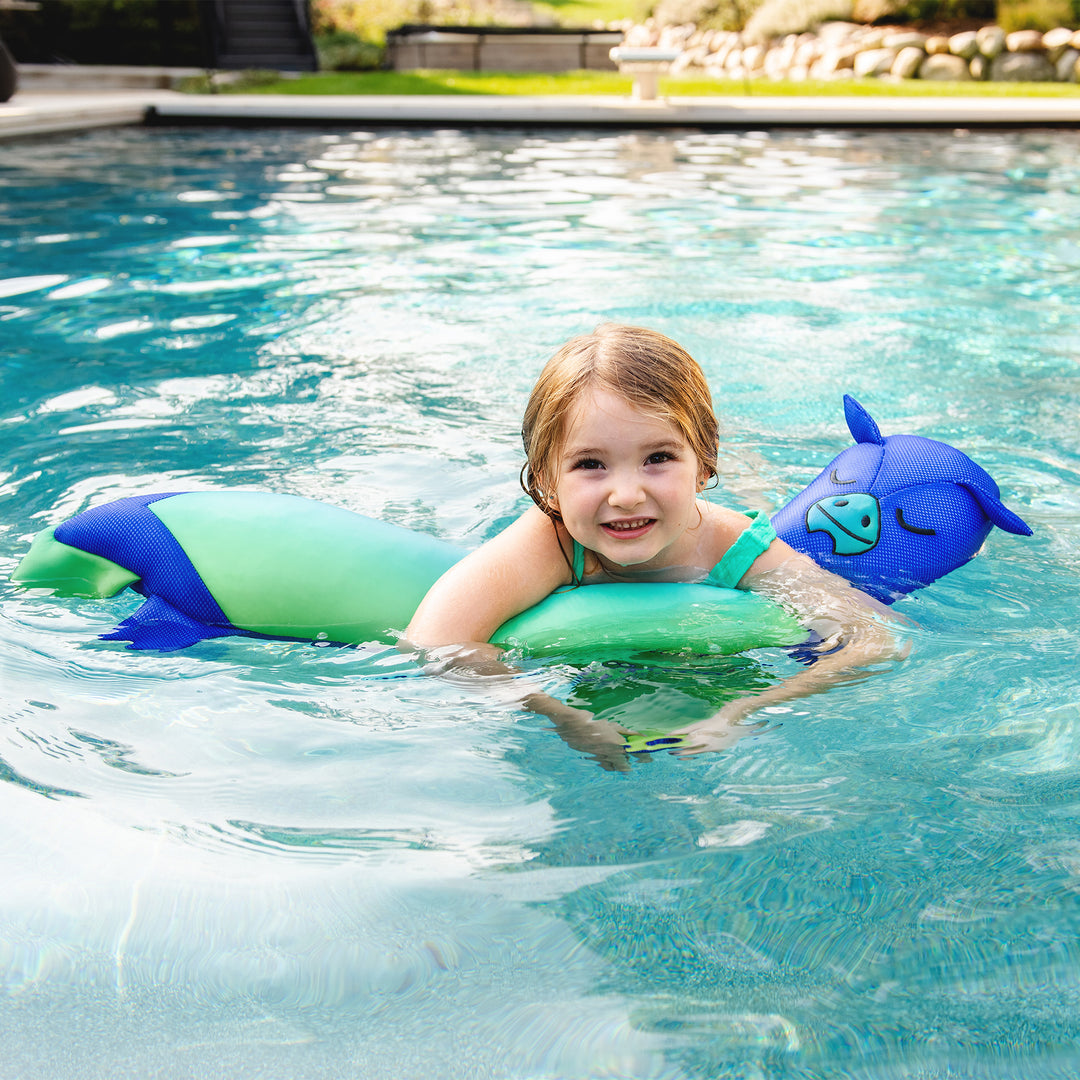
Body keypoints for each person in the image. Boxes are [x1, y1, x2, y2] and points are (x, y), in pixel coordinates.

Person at [405, 324, 906, 766]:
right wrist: (557, 714)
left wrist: (742, 709)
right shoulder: (552, 538)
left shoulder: (732, 546)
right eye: (590, 464)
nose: (625, 495)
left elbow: (876, 638)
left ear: (704, 463)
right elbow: (434, 643)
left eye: (658, 457)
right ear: (546, 481)